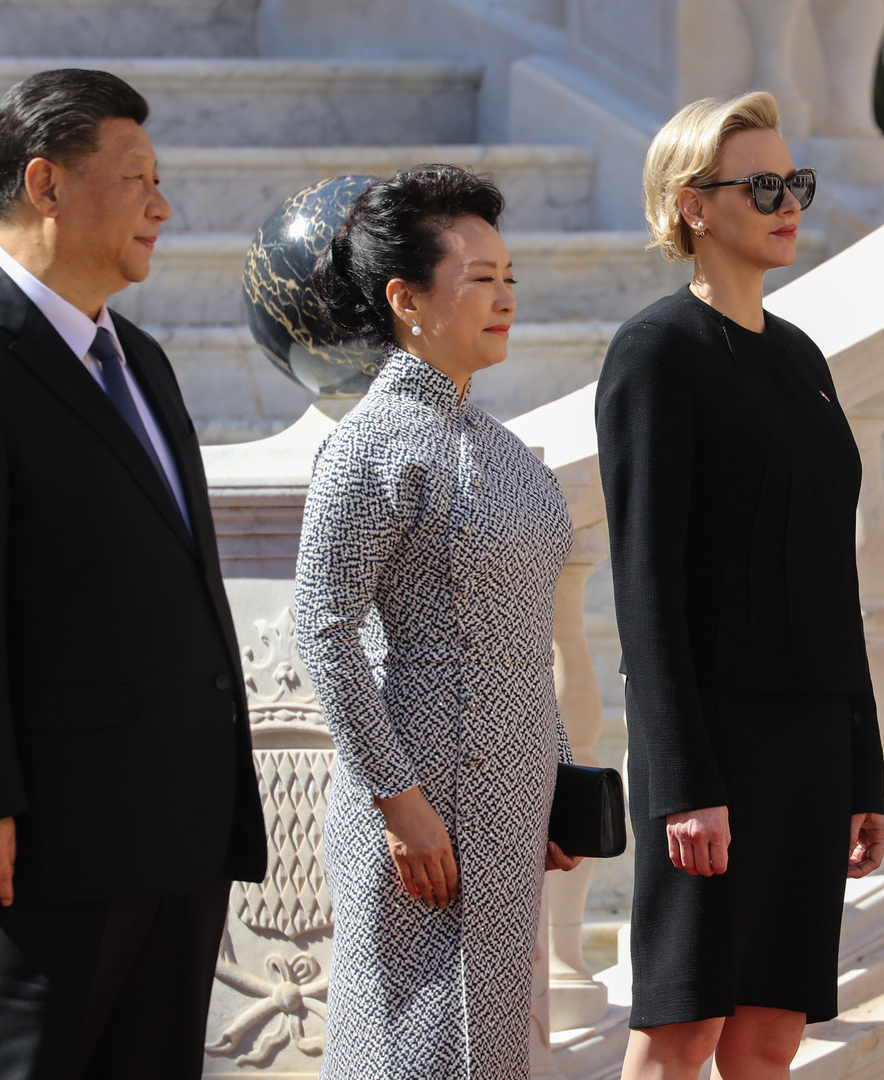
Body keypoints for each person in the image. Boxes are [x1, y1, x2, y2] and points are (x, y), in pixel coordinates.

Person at [0, 68, 268, 1080]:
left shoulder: (140, 358)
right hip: (42, 849)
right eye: (136, 177)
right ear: (46, 185)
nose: (162, 205)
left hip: (174, 838)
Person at [595, 92, 884, 1080]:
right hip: (714, 748)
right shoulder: (655, 353)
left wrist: (863, 772)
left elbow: (829, 574)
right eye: (762, 186)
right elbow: (647, 585)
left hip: (809, 743)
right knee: (681, 1029)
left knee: (771, 1033)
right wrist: (682, 784)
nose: (787, 202)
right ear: (692, 205)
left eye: (794, 183)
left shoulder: (800, 356)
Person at [293, 164, 583, 1080]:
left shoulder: (498, 446)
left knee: (487, 1051)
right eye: (478, 280)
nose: (503, 301)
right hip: (419, 799)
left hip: (509, 793)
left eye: (509, 280)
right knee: (409, 1051)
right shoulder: (367, 447)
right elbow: (325, 630)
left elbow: (528, 635)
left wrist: (559, 774)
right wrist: (398, 802)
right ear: (406, 299)